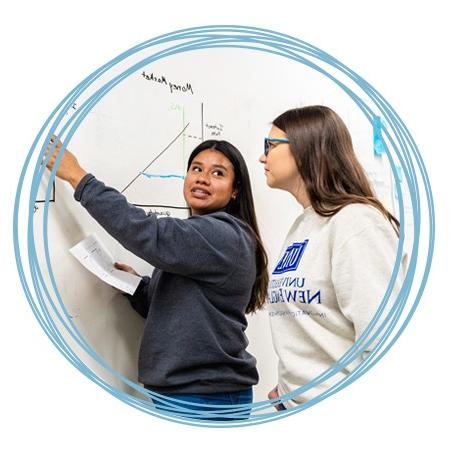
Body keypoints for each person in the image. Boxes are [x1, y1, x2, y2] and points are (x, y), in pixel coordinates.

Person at [45, 138, 268, 420]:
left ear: (236, 190)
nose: (202, 179)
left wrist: (79, 177)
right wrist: (138, 286)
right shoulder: (203, 236)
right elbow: (182, 307)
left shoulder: (223, 234)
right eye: (196, 169)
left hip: (205, 397)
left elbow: (149, 233)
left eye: (218, 173)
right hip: (189, 393)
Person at [259, 105, 406, 409]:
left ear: (303, 148)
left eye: (270, 146)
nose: (263, 157)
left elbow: (383, 346)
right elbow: (313, 331)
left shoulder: (357, 223)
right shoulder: (305, 224)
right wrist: (289, 389)